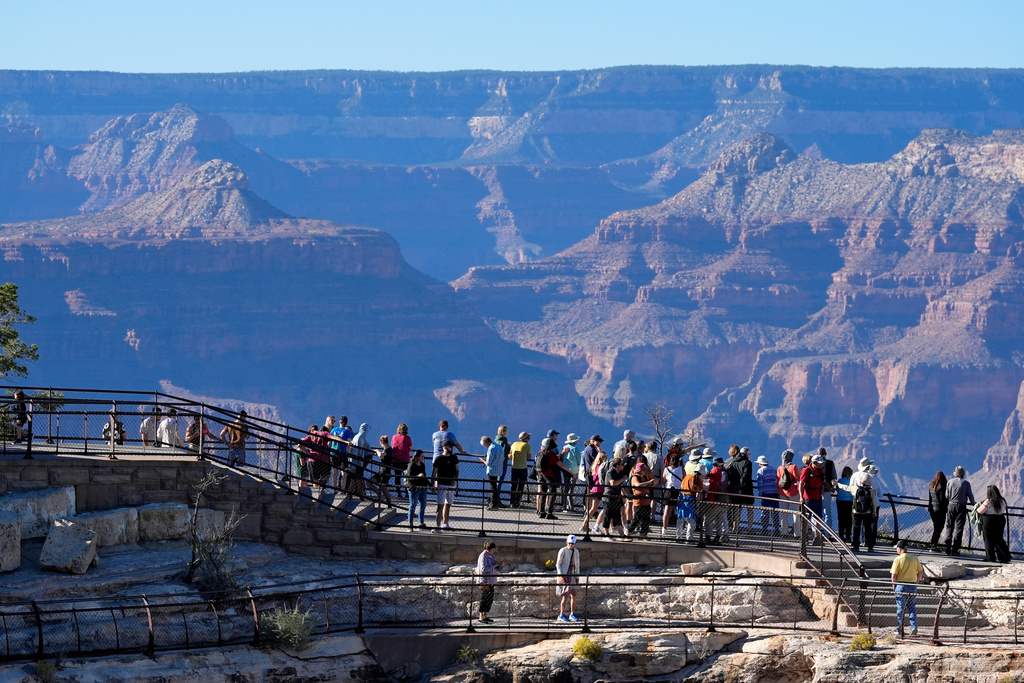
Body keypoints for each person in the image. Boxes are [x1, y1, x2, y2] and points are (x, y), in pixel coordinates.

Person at [838, 457, 876, 551]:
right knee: (868, 528)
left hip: (856, 508)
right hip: (867, 510)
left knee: (856, 527)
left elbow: (847, 487)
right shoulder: (870, 482)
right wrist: (874, 511)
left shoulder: (855, 477)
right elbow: (874, 499)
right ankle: (870, 546)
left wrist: (837, 484)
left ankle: (856, 545)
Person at [890, 539, 923, 637]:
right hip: (912, 585)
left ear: (900, 549)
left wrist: (894, 586)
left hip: (901, 586)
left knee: (901, 608)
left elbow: (894, 575)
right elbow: (920, 572)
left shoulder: (898, 559)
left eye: (897, 549)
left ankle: (899, 628)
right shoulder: (914, 558)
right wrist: (916, 581)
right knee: (912, 607)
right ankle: (914, 627)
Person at [537, 437, 574, 520]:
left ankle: (541, 512)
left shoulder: (541, 452)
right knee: (553, 493)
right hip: (549, 475)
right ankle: (549, 513)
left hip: (540, 474)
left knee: (543, 492)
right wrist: (571, 473)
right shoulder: (551, 456)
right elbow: (561, 465)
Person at [943, 466, 975, 556]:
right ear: (963, 473)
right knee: (959, 528)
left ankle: (947, 547)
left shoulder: (950, 482)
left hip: (951, 505)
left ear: (955, 473)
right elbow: (970, 496)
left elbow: (947, 495)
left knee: (949, 526)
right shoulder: (966, 483)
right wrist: (974, 505)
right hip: (961, 507)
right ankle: (955, 549)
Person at [977, 484, 1012, 563]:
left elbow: (979, 511)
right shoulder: (1002, 500)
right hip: (1000, 519)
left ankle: (991, 558)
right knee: (999, 539)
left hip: (989, 520)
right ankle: (1005, 557)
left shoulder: (988, 501)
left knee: (988, 539)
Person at [599, 457, 631, 540]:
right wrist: (622, 479)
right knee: (607, 516)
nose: (623, 466)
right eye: (622, 464)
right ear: (617, 465)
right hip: (609, 497)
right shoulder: (610, 472)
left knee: (617, 516)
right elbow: (613, 483)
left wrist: (629, 494)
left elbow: (623, 485)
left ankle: (621, 534)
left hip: (617, 498)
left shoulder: (620, 473)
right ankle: (606, 534)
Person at [431, 442, 460, 532]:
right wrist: (434, 484)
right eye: (450, 446)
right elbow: (434, 472)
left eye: (452, 447)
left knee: (448, 504)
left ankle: (445, 523)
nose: (451, 448)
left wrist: (455, 480)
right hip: (441, 484)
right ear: (444, 447)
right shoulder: (439, 458)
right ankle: (437, 526)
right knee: (440, 505)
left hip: (451, 484)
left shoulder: (454, 457)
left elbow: (457, 470)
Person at [798, 454, 827, 542]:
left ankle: (816, 536)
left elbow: (823, 482)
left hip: (818, 497)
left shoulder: (820, 471)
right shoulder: (806, 471)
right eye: (819, 463)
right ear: (814, 463)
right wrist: (801, 497)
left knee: (818, 517)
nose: (821, 464)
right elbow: (801, 484)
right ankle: (805, 536)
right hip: (808, 497)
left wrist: (830, 487)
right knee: (806, 517)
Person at [475, 540, 504, 623]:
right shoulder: (483, 556)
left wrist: (500, 566)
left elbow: (495, 567)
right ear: (487, 549)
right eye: (492, 550)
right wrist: (494, 565)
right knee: (484, 598)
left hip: (491, 580)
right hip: (485, 580)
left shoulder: (491, 556)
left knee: (489, 599)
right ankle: (481, 617)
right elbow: (484, 569)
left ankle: (486, 616)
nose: (493, 551)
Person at [627, 461, 658, 537]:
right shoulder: (635, 477)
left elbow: (648, 486)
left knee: (646, 518)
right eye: (643, 470)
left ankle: (643, 534)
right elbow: (637, 485)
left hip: (646, 501)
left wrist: (654, 483)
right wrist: (649, 481)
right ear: (640, 470)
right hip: (639, 501)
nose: (644, 471)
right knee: (637, 518)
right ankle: (628, 531)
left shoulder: (643, 477)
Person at [555, 535, 581, 622]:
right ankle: (561, 614)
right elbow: (558, 564)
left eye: (573, 544)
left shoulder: (576, 552)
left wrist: (577, 576)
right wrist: (560, 575)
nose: (571, 545)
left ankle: (572, 613)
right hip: (565, 574)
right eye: (570, 543)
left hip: (572, 574)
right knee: (565, 595)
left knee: (574, 594)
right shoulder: (563, 551)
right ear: (567, 543)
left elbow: (577, 565)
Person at [582, 449, 607, 533]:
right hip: (599, 489)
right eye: (604, 457)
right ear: (600, 458)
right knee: (595, 508)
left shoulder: (595, 467)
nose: (606, 458)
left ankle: (585, 524)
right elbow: (598, 478)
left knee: (594, 508)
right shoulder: (600, 467)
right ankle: (585, 524)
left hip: (597, 489)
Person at [777, 449, 801, 536]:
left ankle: (784, 532)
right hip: (793, 493)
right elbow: (797, 480)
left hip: (783, 493)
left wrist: (779, 491)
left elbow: (778, 481)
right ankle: (797, 534)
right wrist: (798, 491)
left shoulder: (780, 468)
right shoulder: (793, 467)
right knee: (796, 514)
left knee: (784, 514)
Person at [677, 467, 704, 542]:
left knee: (680, 518)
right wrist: (697, 507)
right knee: (691, 520)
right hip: (691, 500)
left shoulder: (687, 477)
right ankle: (689, 538)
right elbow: (698, 495)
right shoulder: (699, 481)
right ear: (701, 474)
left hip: (682, 498)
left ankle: (678, 536)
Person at [405, 450, 429, 530]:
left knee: (423, 505)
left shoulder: (422, 465)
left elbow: (424, 477)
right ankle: (410, 524)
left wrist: (430, 485)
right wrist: (418, 476)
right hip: (414, 488)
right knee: (413, 506)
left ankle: (421, 523)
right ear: (417, 457)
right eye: (422, 456)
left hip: (422, 488)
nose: (423, 458)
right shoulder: (411, 465)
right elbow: (409, 478)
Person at [755, 455, 780, 535]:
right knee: (775, 512)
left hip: (765, 493)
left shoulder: (760, 471)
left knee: (765, 512)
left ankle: (764, 529)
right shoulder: (774, 469)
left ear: (760, 463)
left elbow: (760, 483)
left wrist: (760, 494)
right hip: (775, 493)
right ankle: (776, 529)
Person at [704, 457, 727, 543]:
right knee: (719, 521)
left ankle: (708, 536)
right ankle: (718, 537)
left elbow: (711, 495)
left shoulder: (713, 483)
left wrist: (710, 504)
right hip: (722, 504)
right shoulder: (721, 483)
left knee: (708, 520)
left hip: (714, 505)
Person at [661, 451, 684, 536]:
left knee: (667, 509)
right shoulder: (681, 469)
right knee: (680, 510)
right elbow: (684, 479)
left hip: (669, 490)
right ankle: (680, 528)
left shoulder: (666, 469)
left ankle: (664, 528)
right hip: (678, 490)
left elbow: (663, 480)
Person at [481, 435, 506, 509]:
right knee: (495, 486)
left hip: (491, 470)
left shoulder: (491, 448)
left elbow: (488, 463)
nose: (485, 447)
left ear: (486, 443)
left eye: (484, 445)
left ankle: (493, 504)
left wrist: (483, 461)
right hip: (498, 469)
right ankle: (495, 503)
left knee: (492, 487)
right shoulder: (499, 447)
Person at [329, 415, 354, 489]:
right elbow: (349, 444)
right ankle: (343, 489)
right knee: (344, 472)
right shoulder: (347, 431)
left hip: (333, 452)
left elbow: (329, 441)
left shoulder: (333, 430)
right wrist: (348, 454)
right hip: (343, 452)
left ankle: (334, 488)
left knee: (335, 471)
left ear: (339, 422)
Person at [508, 431, 532, 507]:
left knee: (513, 485)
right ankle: (517, 502)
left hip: (514, 467)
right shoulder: (527, 446)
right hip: (523, 468)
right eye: (528, 438)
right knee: (520, 486)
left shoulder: (514, 444)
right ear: (525, 439)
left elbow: (510, 456)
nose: (529, 439)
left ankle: (511, 502)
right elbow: (528, 458)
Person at [927, 471, 948, 552]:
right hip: (940, 510)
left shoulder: (931, 486)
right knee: (939, 527)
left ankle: (932, 544)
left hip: (932, 509)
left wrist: (930, 507)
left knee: (936, 527)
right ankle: (933, 545)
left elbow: (930, 499)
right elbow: (942, 500)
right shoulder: (942, 486)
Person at [560, 433, 582, 512]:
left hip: (565, 470)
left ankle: (564, 506)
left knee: (565, 488)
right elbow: (579, 461)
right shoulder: (575, 449)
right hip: (574, 471)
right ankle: (571, 506)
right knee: (571, 490)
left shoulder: (564, 448)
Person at [817, 447, 838, 530]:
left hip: (815, 490)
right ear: (825, 454)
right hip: (826, 490)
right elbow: (834, 477)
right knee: (827, 512)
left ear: (818, 454)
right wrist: (832, 487)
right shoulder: (830, 463)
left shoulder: (814, 463)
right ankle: (827, 532)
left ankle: (816, 531)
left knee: (816, 512)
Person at [371, 435, 394, 506]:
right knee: (384, 488)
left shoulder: (388, 449)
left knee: (369, 482)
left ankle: (380, 494)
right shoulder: (389, 449)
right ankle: (389, 504)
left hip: (384, 472)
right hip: (385, 471)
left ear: (381, 442)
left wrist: (377, 451)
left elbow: (381, 455)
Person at [390, 423, 413, 489]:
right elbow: (411, 448)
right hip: (405, 460)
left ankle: (398, 492)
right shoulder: (408, 438)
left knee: (397, 476)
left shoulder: (394, 437)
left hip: (395, 459)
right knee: (406, 476)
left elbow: (393, 445)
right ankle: (406, 492)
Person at [836, 466, 854, 543]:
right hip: (849, 501)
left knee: (841, 519)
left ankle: (841, 535)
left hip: (840, 501)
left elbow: (837, 489)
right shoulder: (851, 481)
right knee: (849, 519)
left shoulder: (840, 480)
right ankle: (848, 536)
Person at [494, 425, 511, 503]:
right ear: (503, 431)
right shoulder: (504, 440)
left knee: (494, 481)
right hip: (502, 462)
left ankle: (492, 498)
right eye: (506, 431)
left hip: (495, 462)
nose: (507, 432)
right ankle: (497, 500)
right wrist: (509, 448)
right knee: (500, 481)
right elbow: (504, 452)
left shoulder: (496, 439)